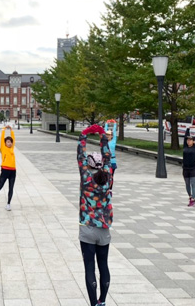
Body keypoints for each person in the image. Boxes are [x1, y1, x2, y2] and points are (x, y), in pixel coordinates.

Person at [77, 124, 113, 306]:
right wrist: (103, 137)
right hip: (104, 228)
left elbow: (80, 155)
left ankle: (93, 303)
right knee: (103, 265)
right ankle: (102, 301)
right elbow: (108, 156)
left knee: (89, 268)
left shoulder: (85, 177)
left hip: (87, 228)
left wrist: (84, 135)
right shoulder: (108, 176)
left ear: (89, 164)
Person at [0, 125, 16, 211]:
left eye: (10, 142)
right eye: (8, 142)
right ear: (5, 143)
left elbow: (13, 139)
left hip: (13, 171)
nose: (10, 143)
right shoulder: (3, 148)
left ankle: (8, 204)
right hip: (5, 170)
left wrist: (11, 130)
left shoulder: (12, 148)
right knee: (0, 186)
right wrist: (4, 129)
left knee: (11, 188)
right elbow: (2, 139)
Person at [182, 126, 195, 207]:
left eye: (190, 140)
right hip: (185, 168)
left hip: (193, 168)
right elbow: (185, 137)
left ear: (193, 142)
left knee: (193, 184)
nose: (188, 141)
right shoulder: (185, 147)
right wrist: (188, 129)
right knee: (187, 184)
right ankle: (190, 196)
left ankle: (193, 199)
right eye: (188, 140)